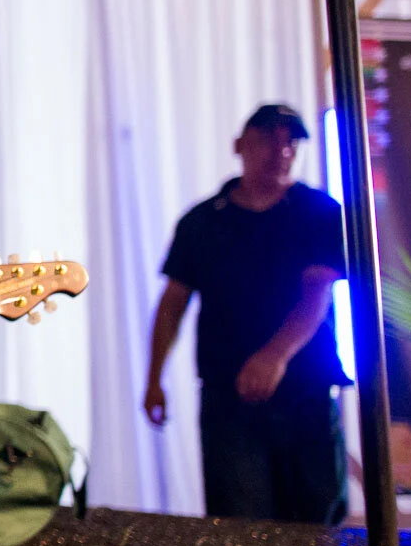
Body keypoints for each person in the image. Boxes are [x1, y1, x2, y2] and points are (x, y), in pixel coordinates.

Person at [144, 103, 348, 523]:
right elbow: (172, 303)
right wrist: (154, 379)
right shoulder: (202, 221)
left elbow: (317, 294)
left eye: (291, 141)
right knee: (239, 525)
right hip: (228, 398)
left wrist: (274, 355)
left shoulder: (320, 213)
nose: (281, 151)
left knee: (317, 524)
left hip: (306, 389)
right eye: (268, 139)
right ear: (239, 145)